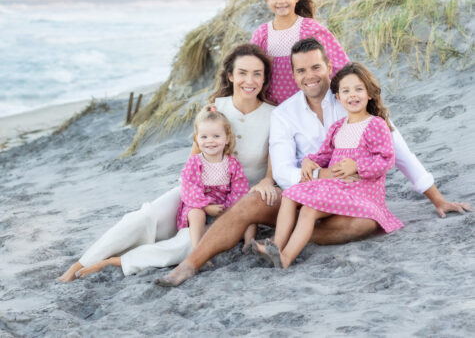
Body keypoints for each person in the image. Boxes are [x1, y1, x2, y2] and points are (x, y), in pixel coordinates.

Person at [158, 38, 471, 286]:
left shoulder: (351, 98)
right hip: (302, 193)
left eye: (315, 67)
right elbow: (282, 171)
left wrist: (438, 199)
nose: (309, 76)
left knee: (366, 223)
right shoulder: (285, 114)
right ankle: (190, 264)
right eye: (301, 70)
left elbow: (399, 153)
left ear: (328, 65)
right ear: (293, 74)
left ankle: (280, 241)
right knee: (249, 204)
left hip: (352, 198)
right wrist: (325, 176)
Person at [58, 44, 276, 282]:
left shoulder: (274, 115)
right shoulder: (215, 108)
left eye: (257, 73)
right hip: (196, 192)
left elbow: (271, 171)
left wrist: (265, 183)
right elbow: (193, 162)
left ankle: (114, 262)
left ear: (265, 79)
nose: (249, 80)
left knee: (184, 245)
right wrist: (199, 203)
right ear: (231, 75)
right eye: (242, 72)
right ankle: (80, 263)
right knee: (144, 218)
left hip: (235, 203)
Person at [252, 63, 403, 268]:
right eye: (346, 91)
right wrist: (308, 160)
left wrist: (357, 166)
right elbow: (324, 155)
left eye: (359, 89)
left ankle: (285, 258)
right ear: (338, 98)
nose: (353, 95)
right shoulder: (338, 127)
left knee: (309, 208)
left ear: (369, 93)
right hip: (338, 185)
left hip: (361, 189)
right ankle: (277, 247)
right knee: (289, 196)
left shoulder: (375, 124)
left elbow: (386, 160)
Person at [251, 0, 349, 104]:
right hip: (274, 108)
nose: (281, 1)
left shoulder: (311, 29)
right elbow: (249, 71)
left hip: (311, 106)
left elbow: (340, 66)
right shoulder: (261, 34)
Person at [177, 104, 251, 249]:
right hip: (199, 205)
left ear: (227, 138)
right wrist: (206, 206)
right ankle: (197, 249)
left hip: (225, 206)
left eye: (216, 136)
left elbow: (239, 188)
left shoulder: (232, 163)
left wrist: (228, 208)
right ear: (197, 139)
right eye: (204, 137)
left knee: (249, 215)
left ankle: (249, 245)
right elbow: (188, 187)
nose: (210, 141)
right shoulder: (195, 162)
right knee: (196, 214)